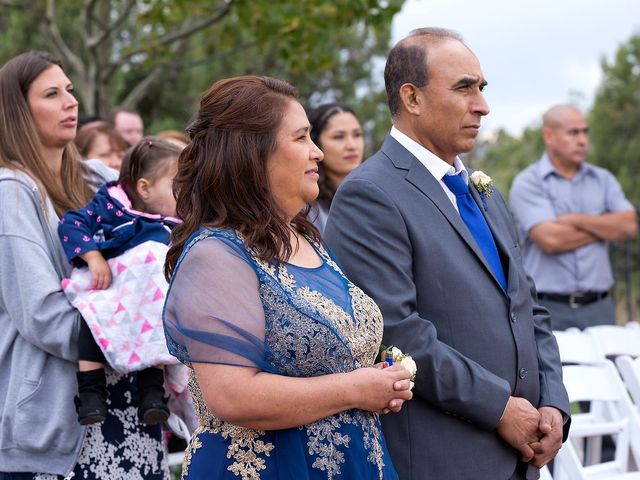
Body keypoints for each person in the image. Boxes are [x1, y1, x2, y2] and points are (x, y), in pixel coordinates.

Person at [324, 28, 571, 480]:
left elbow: (528, 308)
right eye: (464, 88)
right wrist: (500, 409)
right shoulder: (371, 193)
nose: (482, 105)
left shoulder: (484, 192)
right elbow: (397, 334)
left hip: (522, 457)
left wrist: (553, 401)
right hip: (446, 458)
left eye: (481, 88)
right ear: (412, 98)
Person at [163, 75, 413, 479]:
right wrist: (354, 390)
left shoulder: (307, 238)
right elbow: (231, 396)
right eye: (301, 139)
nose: (317, 153)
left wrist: (380, 382)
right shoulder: (215, 254)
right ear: (253, 153)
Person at [0, 51, 168, 479]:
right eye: (52, 94)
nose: (70, 102)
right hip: (60, 414)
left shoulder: (99, 180)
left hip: (131, 399)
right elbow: (41, 314)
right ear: (18, 111)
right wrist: (130, 331)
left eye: (70, 91)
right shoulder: (11, 192)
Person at [59, 137, 182, 426]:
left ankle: (153, 394)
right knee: (90, 322)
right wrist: (92, 257)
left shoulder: (180, 220)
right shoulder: (111, 204)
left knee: (156, 327)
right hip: (110, 288)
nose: (187, 194)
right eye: (179, 186)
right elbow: (72, 223)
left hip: (146, 300)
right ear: (144, 188)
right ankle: (90, 393)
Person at [510, 105, 637, 331]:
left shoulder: (602, 179)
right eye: (573, 132)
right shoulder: (529, 182)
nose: (582, 140)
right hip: (548, 309)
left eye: (585, 132)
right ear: (549, 136)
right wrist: (605, 224)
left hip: (599, 308)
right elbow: (550, 240)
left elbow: (628, 226)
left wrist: (577, 220)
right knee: (552, 367)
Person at [307, 103, 364, 233]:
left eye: (357, 135)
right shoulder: (308, 208)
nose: (352, 145)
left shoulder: (378, 191)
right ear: (316, 143)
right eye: (339, 137)